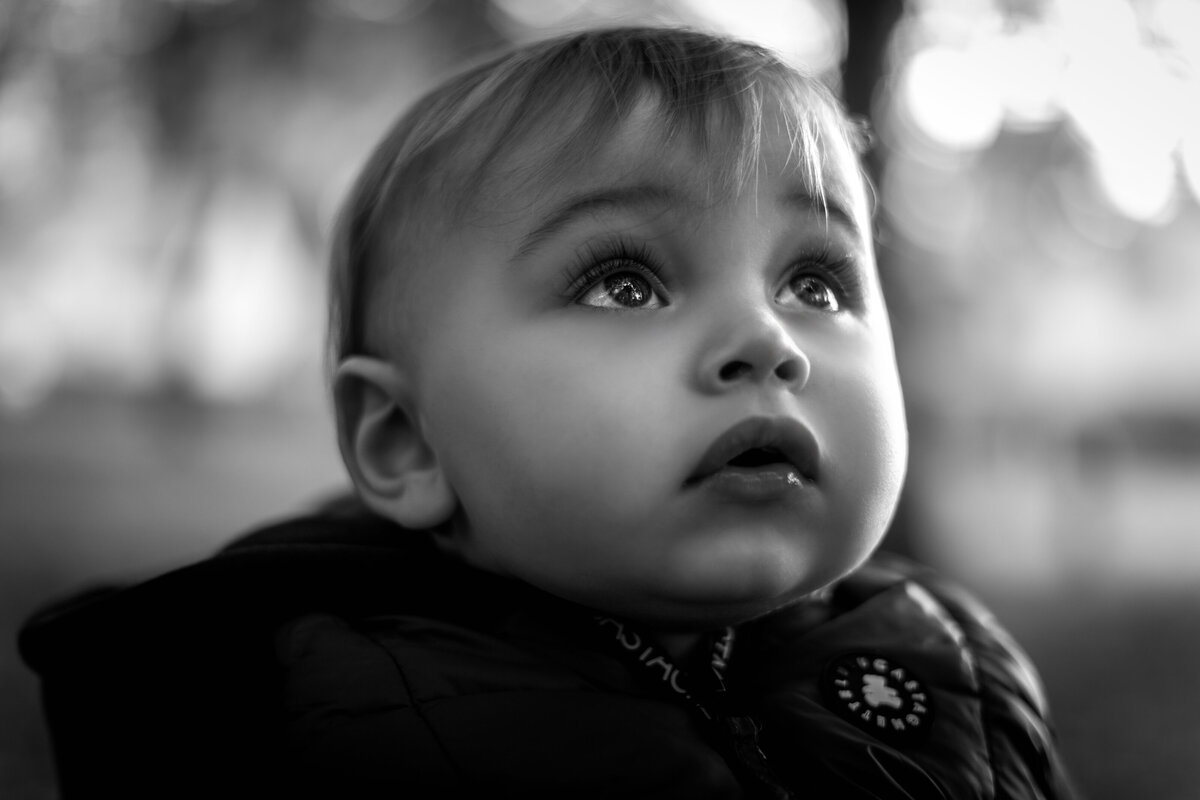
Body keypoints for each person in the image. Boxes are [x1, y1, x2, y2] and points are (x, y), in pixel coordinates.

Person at [20, 26, 1076, 799]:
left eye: (819, 282)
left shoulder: (958, 673)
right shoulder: (296, 721)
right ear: (407, 440)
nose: (770, 338)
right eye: (624, 282)